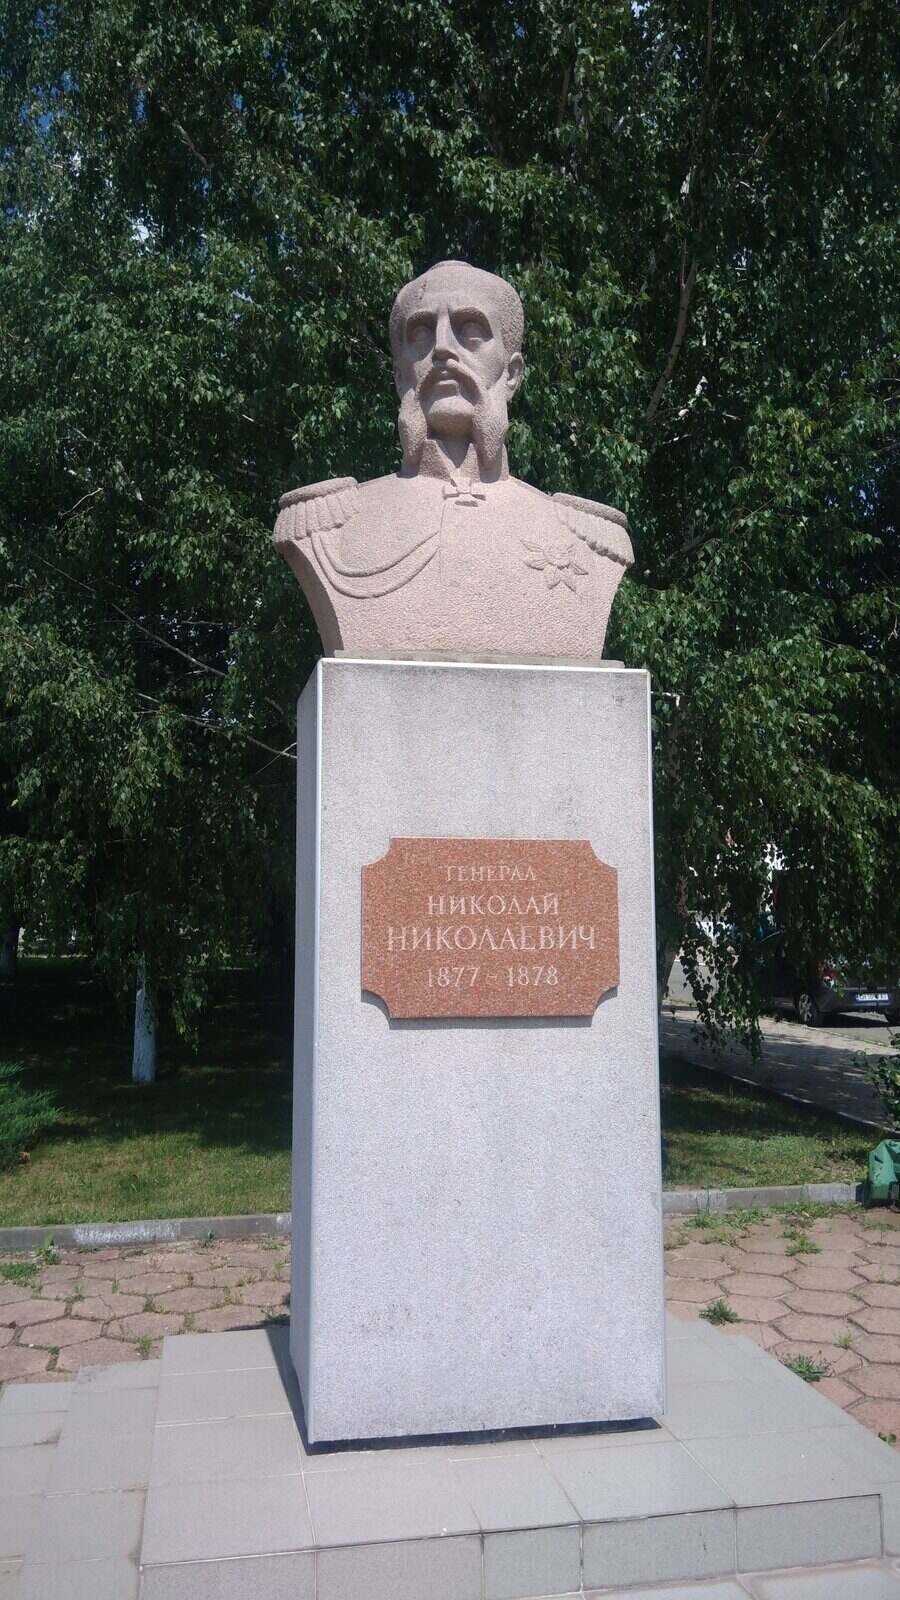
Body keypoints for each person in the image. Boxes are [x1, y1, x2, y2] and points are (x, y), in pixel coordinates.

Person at [274, 260, 632, 661]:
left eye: (470, 330)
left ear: (512, 374)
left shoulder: (587, 539)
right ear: (400, 376)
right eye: (421, 333)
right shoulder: (327, 529)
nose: (442, 349)